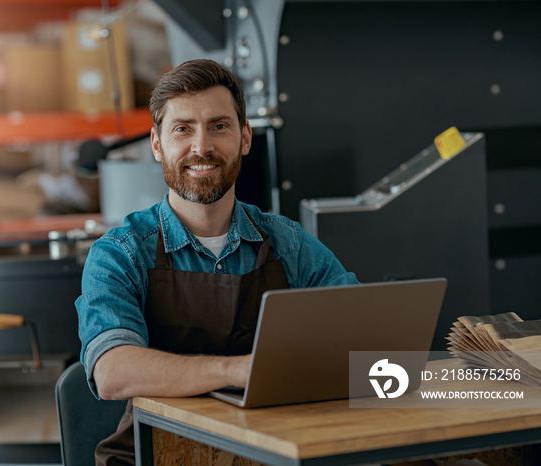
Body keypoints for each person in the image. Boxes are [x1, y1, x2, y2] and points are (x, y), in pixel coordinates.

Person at [75, 58, 359, 465]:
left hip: (272, 449)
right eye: (182, 129)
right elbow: (113, 371)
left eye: (219, 126)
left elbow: (360, 329)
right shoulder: (121, 253)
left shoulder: (288, 242)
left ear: (245, 138)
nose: (201, 146)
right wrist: (240, 372)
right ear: (157, 144)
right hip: (155, 456)